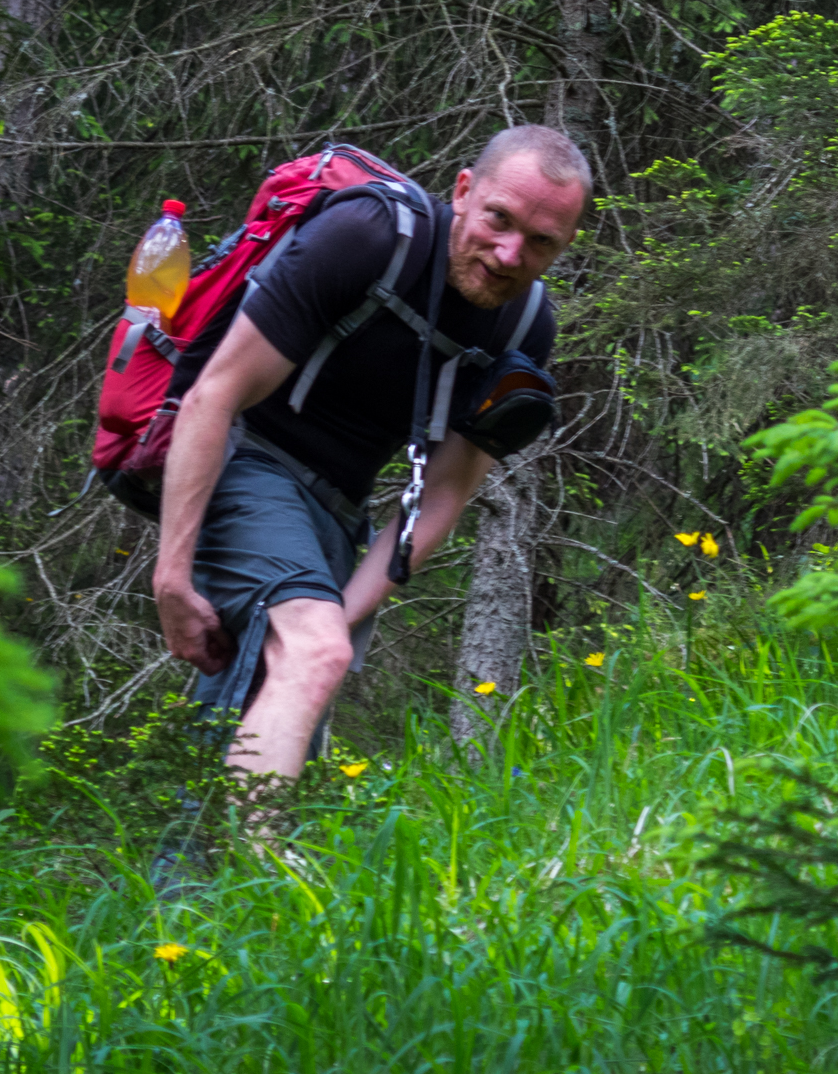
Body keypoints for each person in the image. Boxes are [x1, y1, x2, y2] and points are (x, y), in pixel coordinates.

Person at [151, 125, 587, 784]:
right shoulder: (372, 237)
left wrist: (345, 613)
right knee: (314, 651)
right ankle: (267, 877)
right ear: (464, 190)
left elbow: (443, 493)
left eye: (539, 242)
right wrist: (172, 580)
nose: (507, 252)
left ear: (564, 247)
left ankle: (183, 873)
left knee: (275, 691)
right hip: (241, 461)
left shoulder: (525, 326)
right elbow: (214, 394)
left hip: (335, 517)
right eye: (499, 218)